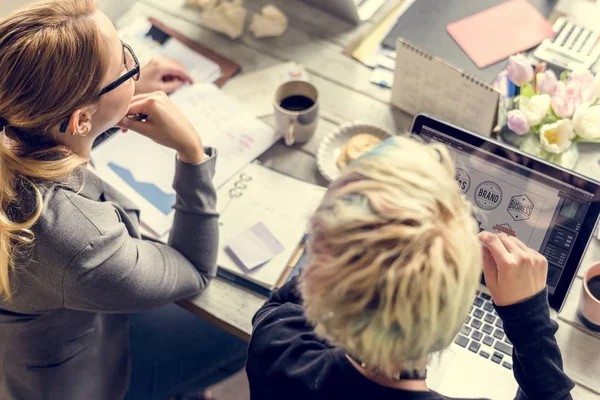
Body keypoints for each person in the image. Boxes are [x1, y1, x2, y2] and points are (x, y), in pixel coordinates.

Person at [0, 1, 246, 399]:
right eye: (123, 66)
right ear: (79, 119)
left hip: (35, 327)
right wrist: (191, 153)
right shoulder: (81, 242)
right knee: (238, 336)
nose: (136, 65)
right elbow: (195, 270)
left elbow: (57, 144)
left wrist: (114, 99)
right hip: (79, 380)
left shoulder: (16, 122)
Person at [246, 136, 574, 400]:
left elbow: (284, 302)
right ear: (456, 315)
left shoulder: (278, 353)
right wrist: (529, 322)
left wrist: (353, 244)